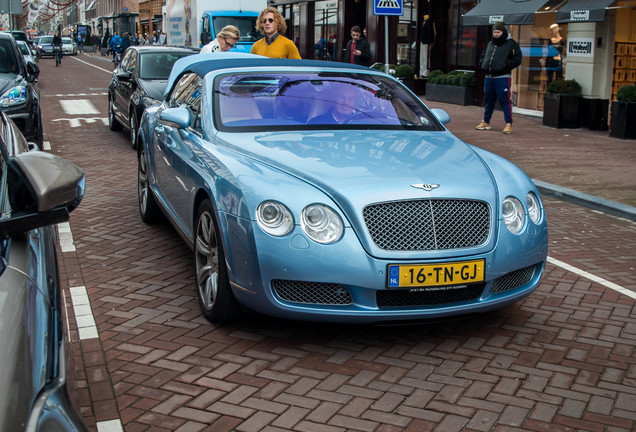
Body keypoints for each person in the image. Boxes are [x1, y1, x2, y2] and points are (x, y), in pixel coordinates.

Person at [475, 22, 522, 135]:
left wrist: (505, 65)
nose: (496, 34)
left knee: (504, 100)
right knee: (488, 100)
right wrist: (483, 64)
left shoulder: (511, 44)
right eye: (494, 32)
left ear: (503, 32)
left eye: (498, 32)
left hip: (502, 77)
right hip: (489, 77)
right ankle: (486, 121)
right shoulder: (491, 43)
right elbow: (484, 54)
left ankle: (508, 124)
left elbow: (517, 59)